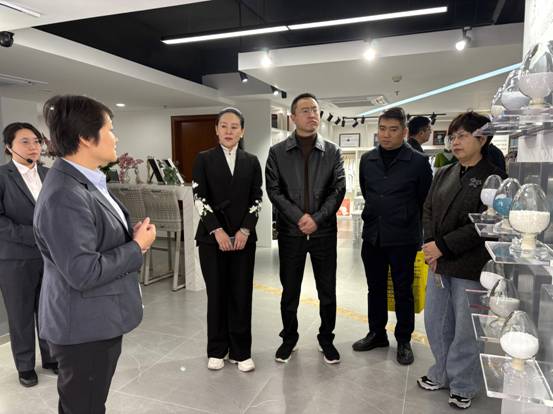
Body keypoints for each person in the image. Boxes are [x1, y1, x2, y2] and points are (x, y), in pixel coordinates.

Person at [34, 95, 156, 414]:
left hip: (96, 320)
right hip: (82, 327)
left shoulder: (85, 180)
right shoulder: (65, 194)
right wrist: (136, 246)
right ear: (86, 138)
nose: (116, 138)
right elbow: (83, 271)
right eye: (110, 129)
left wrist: (128, 235)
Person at [418, 111, 507, 409]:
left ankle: (464, 383)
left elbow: (487, 222)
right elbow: (428, 210)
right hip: (438, 261)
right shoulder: (444, 173)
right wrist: (431, 246)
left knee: (466, 329)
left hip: (471, 263)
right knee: (436, 322)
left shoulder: (495, 178)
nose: (455, 142)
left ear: (482, 139)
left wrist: (442, 246)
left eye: (462, 136)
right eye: (452, 137)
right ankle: (440, 372)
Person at [266, 92, 345, 364]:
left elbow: (338, 189)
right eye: (306, 110)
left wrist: (317, 219)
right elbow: (274, 190)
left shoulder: (333, 151)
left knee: (327, 291)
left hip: (324, 232)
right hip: (291, 232)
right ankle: (289, 338)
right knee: (290, 291)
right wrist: (300, 217)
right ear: (292, 117)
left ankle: (327, 339)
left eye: (315, 110)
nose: (312, 115)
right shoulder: (277, 153)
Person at [353, 107, 432, 365]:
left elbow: (424, 201)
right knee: (374, 288)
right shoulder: (368, 160)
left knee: (402, 290)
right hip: (373, 236)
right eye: (382, 129)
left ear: (404, 131)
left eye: (393, 129)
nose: (386, 135)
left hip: (403, 237)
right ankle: (377, 333)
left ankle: (404, 339)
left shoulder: (418, 162)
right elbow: (368, 192)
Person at [192, 107, 262, 372]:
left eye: (234, 127)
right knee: (217, 294)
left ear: (242, 131)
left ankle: (241, 351)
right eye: (224, 126)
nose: (229, 131)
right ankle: (217, 349)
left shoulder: (252, 161)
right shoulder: (203, 159)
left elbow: (257, 198)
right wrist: (217, 230)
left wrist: (245, 230)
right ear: (216, 129)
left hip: (244, 239)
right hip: (212, 240)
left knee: (241, 294)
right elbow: (199, 197)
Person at [0, 122, 57, 387]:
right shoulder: (2, 176)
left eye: (36, 141)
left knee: (48, 309)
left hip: (50, 257)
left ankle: (51, 357)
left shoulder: (50, 174)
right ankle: (25, 366)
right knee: (20, 313)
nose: (33, 146)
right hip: (15, 258)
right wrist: (34, 234)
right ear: (8, 146)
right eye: (25, 141)